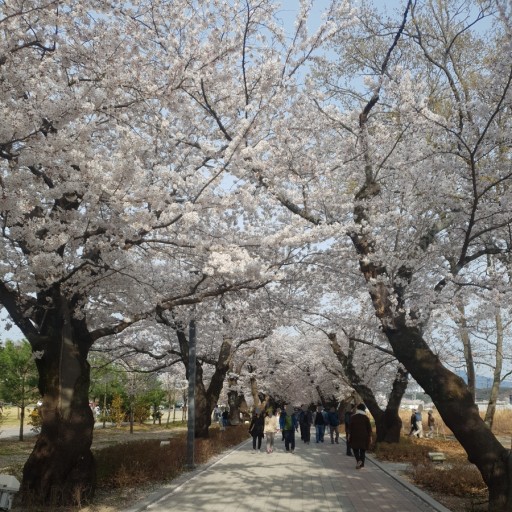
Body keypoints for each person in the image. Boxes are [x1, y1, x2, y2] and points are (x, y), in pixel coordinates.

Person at [347, 403, 372, 469]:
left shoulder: (353, 417)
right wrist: (370, 437)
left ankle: (359, 461)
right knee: (362, 450)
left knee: (355, 449)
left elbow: (350, 427)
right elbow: (369, 428)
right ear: (364, 409)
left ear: (357, 409)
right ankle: (361, 464)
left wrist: (349, 435)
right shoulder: (366, 418)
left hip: (355, 435)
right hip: (364, 436)